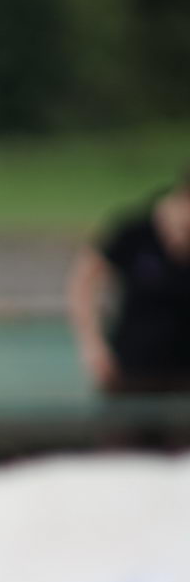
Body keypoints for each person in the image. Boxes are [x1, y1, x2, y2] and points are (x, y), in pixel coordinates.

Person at [67, 167, 190, 449]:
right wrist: (91, 344)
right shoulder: (135, 232)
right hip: (134, 369)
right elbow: (84, 280)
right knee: (124, 457)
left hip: (185, 374)